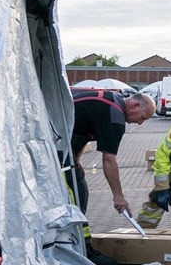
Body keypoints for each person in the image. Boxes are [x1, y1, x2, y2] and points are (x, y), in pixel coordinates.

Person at [66, 90, 156, 265]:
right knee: (76, 197)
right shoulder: (115, 117)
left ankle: (81, 247)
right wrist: (118, 196)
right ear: (135, 105)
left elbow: (81, 121)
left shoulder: (113, 98)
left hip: (64, 149)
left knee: (79, 193)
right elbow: (109, 159)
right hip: (56, 152)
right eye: (142, 117)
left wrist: (77, 157)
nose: (140, 123)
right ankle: (83, 251)